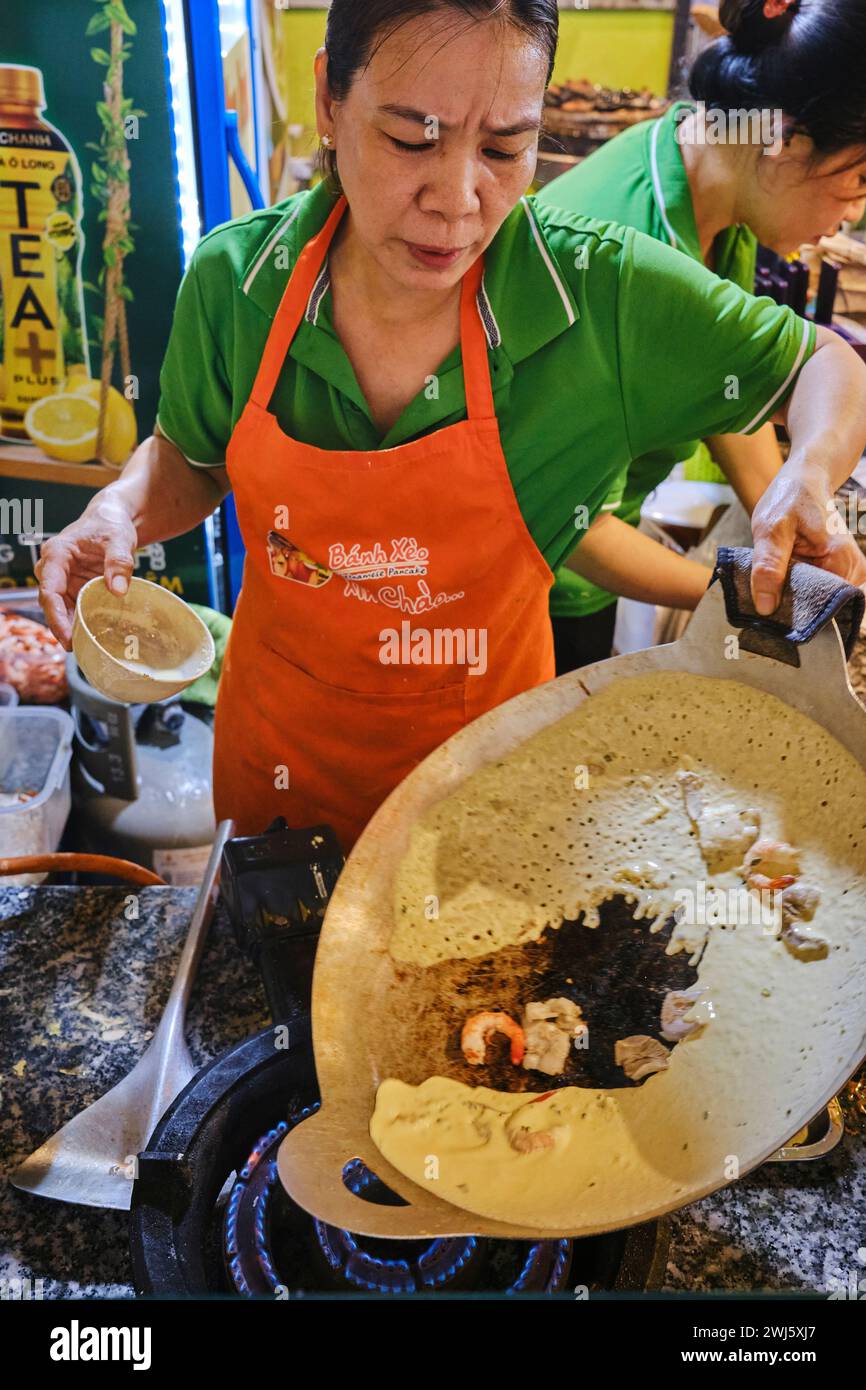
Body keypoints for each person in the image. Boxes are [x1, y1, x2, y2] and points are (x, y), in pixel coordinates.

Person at [37, 0, 866, 851]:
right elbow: (191, 458)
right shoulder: (239, 280)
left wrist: (807, 476)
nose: (460, 200)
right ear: (329, 100)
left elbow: (826, 366)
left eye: (506, 148)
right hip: (280, 767)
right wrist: (123, 510)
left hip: (486, 782)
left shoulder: (599, 293)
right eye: (411, 139)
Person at [538, 0, 866, 671]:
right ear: (784, 138)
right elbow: (572, 529)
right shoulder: (623, 249)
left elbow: (725, 383)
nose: (851, 214)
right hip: (543, 586)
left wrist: (797, 516)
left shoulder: (712, 177)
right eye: (856, 179)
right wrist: (753, 593)